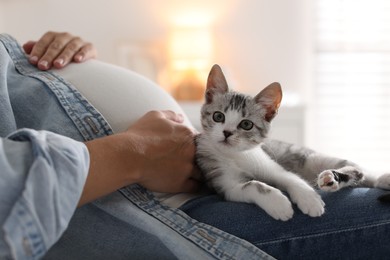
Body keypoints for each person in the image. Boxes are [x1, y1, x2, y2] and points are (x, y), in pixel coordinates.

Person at [1, 31, 389, 260]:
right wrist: (134, 152)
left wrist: (44, 66)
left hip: (183, 183)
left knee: (332, 174)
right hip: (169, 214)